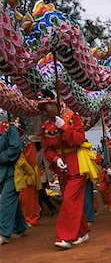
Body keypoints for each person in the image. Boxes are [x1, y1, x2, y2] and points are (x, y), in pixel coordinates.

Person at [38, 92, 92, 249]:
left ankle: (65, 237)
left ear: (56, 104)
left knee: (69, 200)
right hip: (61, 167)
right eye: (42, 107)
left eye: (46, 105)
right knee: (72, 200)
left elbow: (79, 139)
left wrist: (65, 127)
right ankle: (82, 232)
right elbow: (47, 149)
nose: (44, 110)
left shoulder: (72, 117)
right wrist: (56, 159)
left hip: (76, 163)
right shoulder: (45, 126)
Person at [0, 120, 28, 245]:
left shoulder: (9, 128)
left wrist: (2, 157)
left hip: (12, 171)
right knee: (10, 201)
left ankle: (3, 233)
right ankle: (20, 226)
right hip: (1, 173)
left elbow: (15, 148)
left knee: (6, 200)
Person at [19, 132, 42, 227]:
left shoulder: (27, 144)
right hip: (21, 174)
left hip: (27, 174)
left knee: (28, 198)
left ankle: (30, 218)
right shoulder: (25, 143)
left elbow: (29, 161)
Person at [35, 138, 57, 216]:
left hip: (42, 176)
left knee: (41, 193)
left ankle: (44, 209)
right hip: (35, 176)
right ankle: (50, 208)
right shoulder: (31, 151)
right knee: (40, 194)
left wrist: (50, 178)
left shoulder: (42, 151)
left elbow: (47, 165)